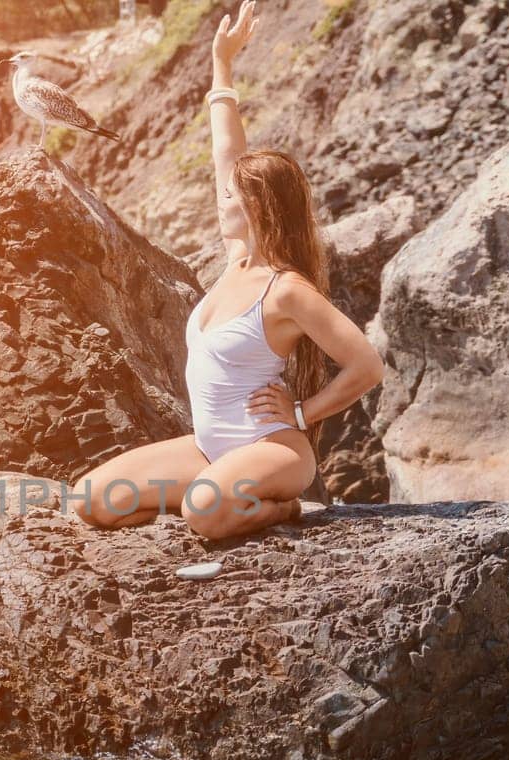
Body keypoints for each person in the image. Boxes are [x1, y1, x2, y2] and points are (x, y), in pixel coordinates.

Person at [74, 0, 383, 541]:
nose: (220, 200)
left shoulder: (286, 290)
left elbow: (367, 365)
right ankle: (212, 497)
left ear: (261, 208)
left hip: (272, 449)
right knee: (90, 500)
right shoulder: (235, 259)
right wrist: (222, 65)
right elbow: (227, 150)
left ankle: (280, 510)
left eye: (231, 196)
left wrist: (301, 412)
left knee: (204, 512)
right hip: (208, 449)